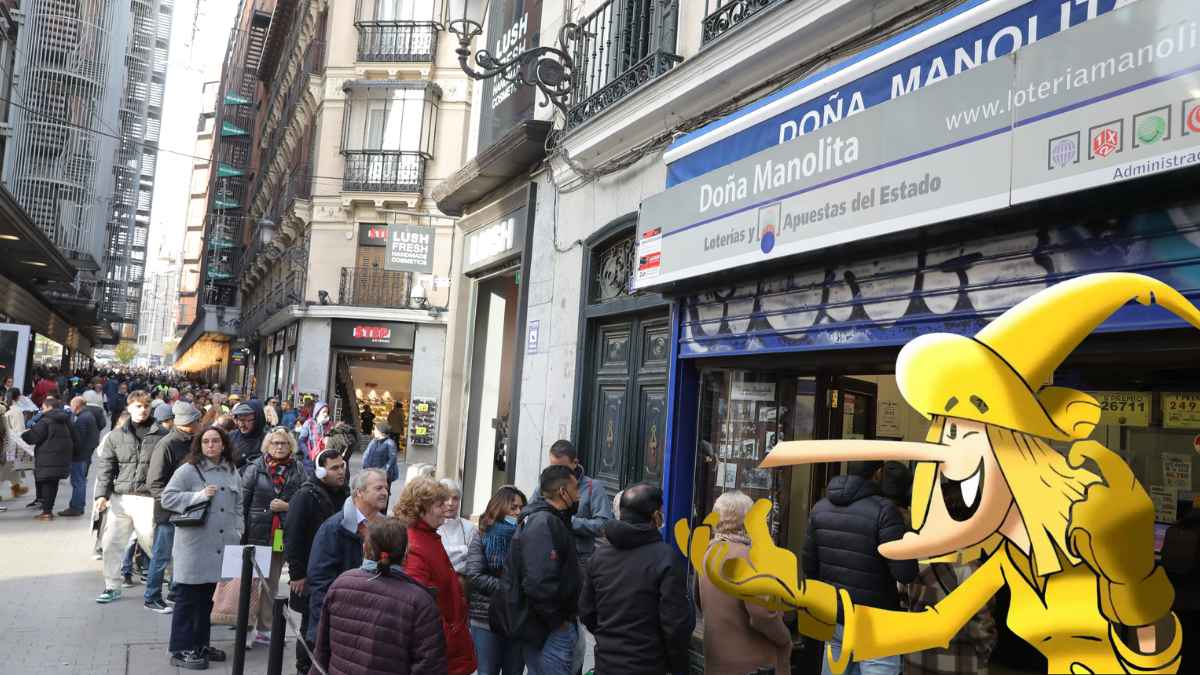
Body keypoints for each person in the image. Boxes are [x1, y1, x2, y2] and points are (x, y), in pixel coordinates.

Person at [803, 460, 918, 675]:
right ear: (878, 473)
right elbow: (905, 573)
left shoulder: (819, 508)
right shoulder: (885, 511)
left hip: (836, 617)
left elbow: (809, 567)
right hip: (877, 622)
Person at [580, 483, 693, 675]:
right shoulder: (666, 558)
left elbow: (587, 612)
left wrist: (609, 639)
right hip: (648, 665)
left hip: (606, 663)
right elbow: (674, 625)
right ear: (656, 516)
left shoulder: (599, 556)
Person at [311, 518, 448, 675]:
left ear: (365, 548)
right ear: (406, 553)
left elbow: (321, 650)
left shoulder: (340, 584)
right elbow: (429, 666)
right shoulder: (420, 602)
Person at [160, 426, 244, 670]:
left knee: (207, 599)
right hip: (194, 546)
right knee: (188, 598)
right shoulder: (188, 470)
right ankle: (180, 648)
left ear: (224, 444)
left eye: (215, 441)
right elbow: (168, 498)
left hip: (220, 545)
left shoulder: (231, 470)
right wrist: (197, 497)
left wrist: (238, 529)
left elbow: (238, 504)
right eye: (206, 441)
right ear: (199, 445)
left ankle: (200, 644)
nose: (211, 445)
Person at [698, 491, 793, 675]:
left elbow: (699, 600)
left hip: (717, 658)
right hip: (751, 664)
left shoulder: (709, 552)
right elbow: (762, 615)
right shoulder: (750, 558)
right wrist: (785, 639)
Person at [94, 390, 171, 603]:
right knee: (111, 543)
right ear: (129, 408)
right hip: (121, 498)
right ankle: (112, 586)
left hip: (148, 498)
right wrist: (102, 494)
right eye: (138, 406)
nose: (142, 410)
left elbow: (170, 465)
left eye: (146, 406)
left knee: (152, 542)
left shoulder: (162, 434)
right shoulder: (116, 435)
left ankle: (173, 579)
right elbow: (106, 466)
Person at [508, 464, 584, 675]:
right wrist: (557, 621)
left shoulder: (554, 520)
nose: (579, 496)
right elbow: (538, 582)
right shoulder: (543, 523)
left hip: (554, 624)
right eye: (576, 489)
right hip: (548, 628)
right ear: (563, 492)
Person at [397, 477, 477, 675]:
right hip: (441, 648)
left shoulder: (428, 536)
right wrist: (449, 633)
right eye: (439, 504)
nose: (445, 509)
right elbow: (419, 606)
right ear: (420, 508)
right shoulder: (415, 544)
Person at [306, 468, 390, 643]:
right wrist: (331, 622)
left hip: (375, 625)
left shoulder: (387, 527)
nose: (385, 493)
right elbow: (319, 581)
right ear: (359, 492)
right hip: (340, 626)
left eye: (386, 488)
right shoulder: (334, 528)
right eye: (379, 488)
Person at [284, 448, 348, 675]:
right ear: (321, 471)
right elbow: (292, 535)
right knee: (310, 627)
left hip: (336, 571)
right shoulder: (305, 496)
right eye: (334, 468)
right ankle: (304, 668)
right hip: (311, 574)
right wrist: (297, 574)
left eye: (342, 466)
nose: (341, 471)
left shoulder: (345, 492)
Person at [240, 427, 305, 645]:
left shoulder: (298, 469)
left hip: (280, 534)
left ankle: (265, 628)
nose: (279, 447)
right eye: (275, 443)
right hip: (257, 533)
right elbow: (243, 502)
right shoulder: (255, 468)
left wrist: (288, 506)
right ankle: (247, 627)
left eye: (283, 443)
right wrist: (241, 533)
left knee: (272, 583)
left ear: (290, 446)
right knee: (252, 582)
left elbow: (305, 499)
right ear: (267, 446)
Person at [144, 401, 202, 612]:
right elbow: (155, 482)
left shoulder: (195, 442)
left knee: (182, 555)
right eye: (197, 420)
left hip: (190, 510)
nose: (200, 423)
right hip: (169, 513)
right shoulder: (166, 444)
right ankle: (151, 596)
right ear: (189, 423)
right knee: (161, 556)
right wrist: (174, 503)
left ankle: (175, 593)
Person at [467, 485, 528, 675]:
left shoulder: (527, 536)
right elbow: (475, 575)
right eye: (513, 508)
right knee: (487, 671)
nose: (518, 512)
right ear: (500, 508)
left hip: (517, 617)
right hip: (486, 617)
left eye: (521, 508)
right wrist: (509, 588)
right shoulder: (482, 535)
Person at [902, 559, 998, 675]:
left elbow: (903, 603)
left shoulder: (911, 561)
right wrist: (985, 650)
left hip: (916, 659)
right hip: (959, 662)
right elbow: (981, 625)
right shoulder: (969, 567)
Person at [541, 439, 612, 568]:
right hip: (550, 554)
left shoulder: (593, 487)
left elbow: (604, 525)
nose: (557, 472)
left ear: (575, 463)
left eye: (562, 467)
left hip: (580, 559)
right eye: (553, 467)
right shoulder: (546, 484)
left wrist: (569, 521)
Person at [20, 396, 78, 520]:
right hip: (61, 458)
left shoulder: (46, 421)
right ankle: (48, 510)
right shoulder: (66, 420)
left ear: (49, 407)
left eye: (43, 408)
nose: (42, 410)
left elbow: (33, 437)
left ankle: (46, 513)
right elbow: (75, 436)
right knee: (53, 484)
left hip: (48, 458)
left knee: (46, 484)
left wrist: (24, 434)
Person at [63, 395, 104, 517]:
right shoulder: (89, 415)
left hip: (80, 455)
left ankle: (76, 507)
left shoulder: (82, 419)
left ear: (76, 406)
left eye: (71, 406)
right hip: (86, 454)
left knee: (78, 481)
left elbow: (78, 440)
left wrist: (73, 453)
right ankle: (77, 506)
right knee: (80, 481)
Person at [437, 478, 478, 575]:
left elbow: (473, 562)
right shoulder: (432, 526)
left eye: (455, 498)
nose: (450, 503)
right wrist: (464, 551)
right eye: (446, 498)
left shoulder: (469, 527)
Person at [229, 400, 266, 469]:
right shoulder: (231, 436)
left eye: (247, 420)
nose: (242, 424)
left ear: (257, 419)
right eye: (240, 419)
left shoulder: (267, 440)